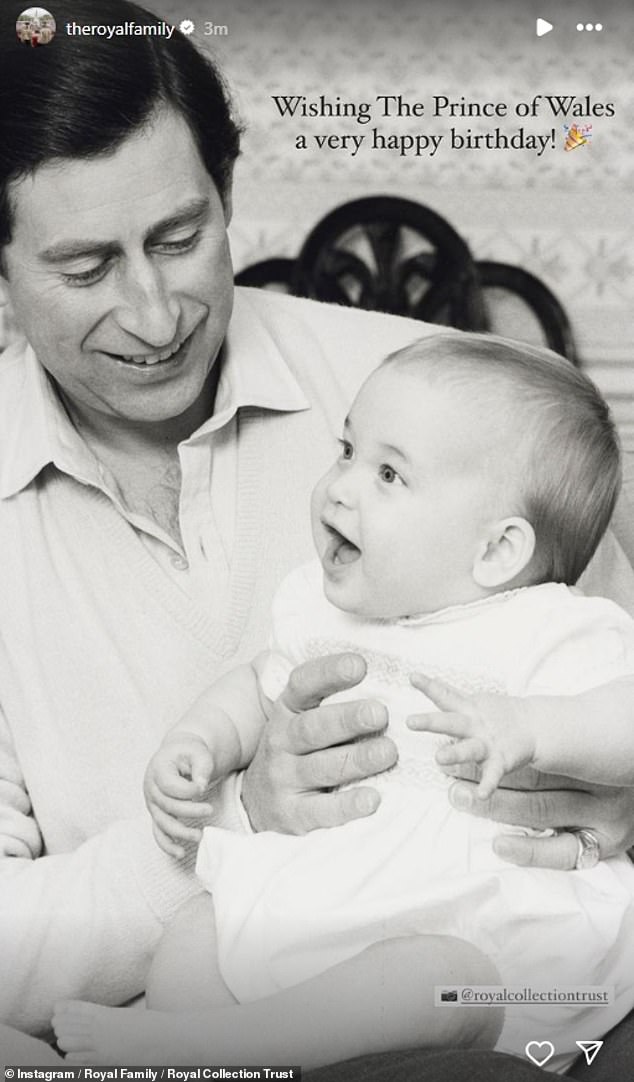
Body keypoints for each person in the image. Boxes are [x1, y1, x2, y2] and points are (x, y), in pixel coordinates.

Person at [1, 2, 634, 1077]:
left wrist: (603, 786)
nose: (155, 317)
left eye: (179, 237)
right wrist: (219, 823)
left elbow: (594, 663)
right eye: (84, 267)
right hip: (166, 1015)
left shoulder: (439, 395)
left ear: (229, 193)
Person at [52, 333, 634, 1072]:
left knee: (440, 978)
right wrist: (198, 744)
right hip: (321, 917)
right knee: (195, 937)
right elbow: (258, 686)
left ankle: (204, 1048)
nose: (340, 485)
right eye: (347, 449)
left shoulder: (548, 628)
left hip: (486, 952)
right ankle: (192, 1045)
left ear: (497, 552)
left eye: (389, 474)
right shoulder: (322, 613)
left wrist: (534, 728)